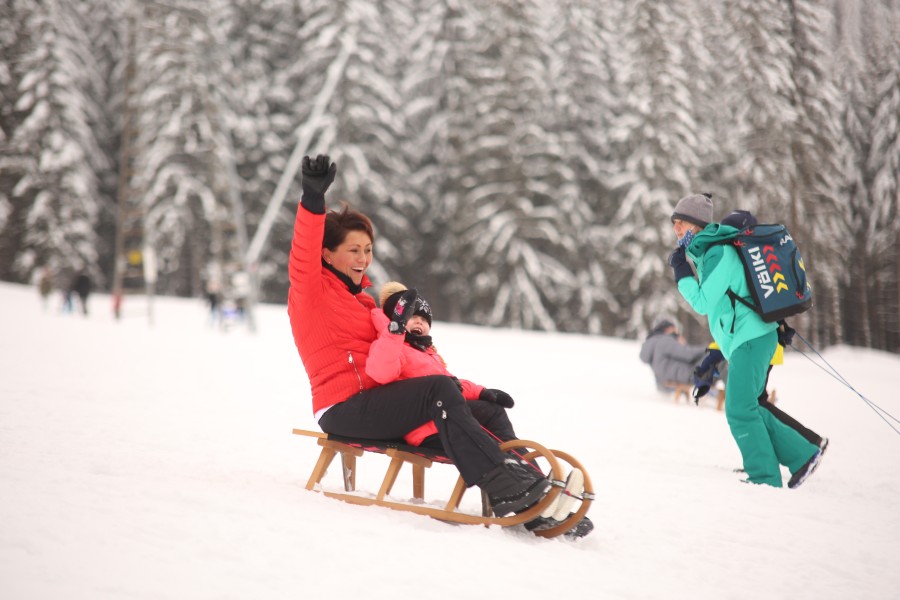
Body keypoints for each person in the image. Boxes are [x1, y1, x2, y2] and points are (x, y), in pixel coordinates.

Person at [287, 154, 558, 519]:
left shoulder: (368, 305)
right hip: (342, 408)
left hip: (381, 398)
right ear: (327, 254)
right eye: (353, 250)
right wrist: (313, 200)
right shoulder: (311, 292)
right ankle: (503, 481)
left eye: (367, 250)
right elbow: (302, 251)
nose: (363, 258)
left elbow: (407, 365)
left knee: (486, 410)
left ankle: (531, 489)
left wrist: (473, 391)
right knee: (437, 392)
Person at [667, 193, 826, 488]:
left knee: (739, 408)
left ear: (698, 224)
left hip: (751, 340)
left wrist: (680, 272)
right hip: (748, 340)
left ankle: (765, 477)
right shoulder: (708, 254)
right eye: (674, 223)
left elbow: (702, 302)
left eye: (681, 223)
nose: (676, 229)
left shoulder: (719, 253)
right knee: (749, 406)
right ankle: (802, 455)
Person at [691, 209, 828, 451]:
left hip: (755, 344)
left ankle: (809, 444)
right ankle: (800, 446)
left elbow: (740, 312)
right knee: (755, 402)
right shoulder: (752, 259)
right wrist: (714, 353)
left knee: (753, 403)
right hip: (756, 343)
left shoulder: (743, 259)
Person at [367, 281, 519, 448]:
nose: (419, 322)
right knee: (488, 434)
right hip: (424, 427)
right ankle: (512, 464)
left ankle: (523, 464)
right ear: (397, 319)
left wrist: (481, 392)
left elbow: (451, 385)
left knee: (492, 411)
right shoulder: (392, 348)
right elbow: (381, 372)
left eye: (424, 320)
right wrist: (394, 333)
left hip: (443, 418)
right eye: (413, 317)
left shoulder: (427, 354)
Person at [639, 319, 709, 391]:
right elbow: (687, 354)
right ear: (667, 329)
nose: (676, 333)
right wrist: (707, 348)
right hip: (680, 375)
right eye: (674, 330)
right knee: (712, 357)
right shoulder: (665, 341)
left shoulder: (653, 342)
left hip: (662, 381)